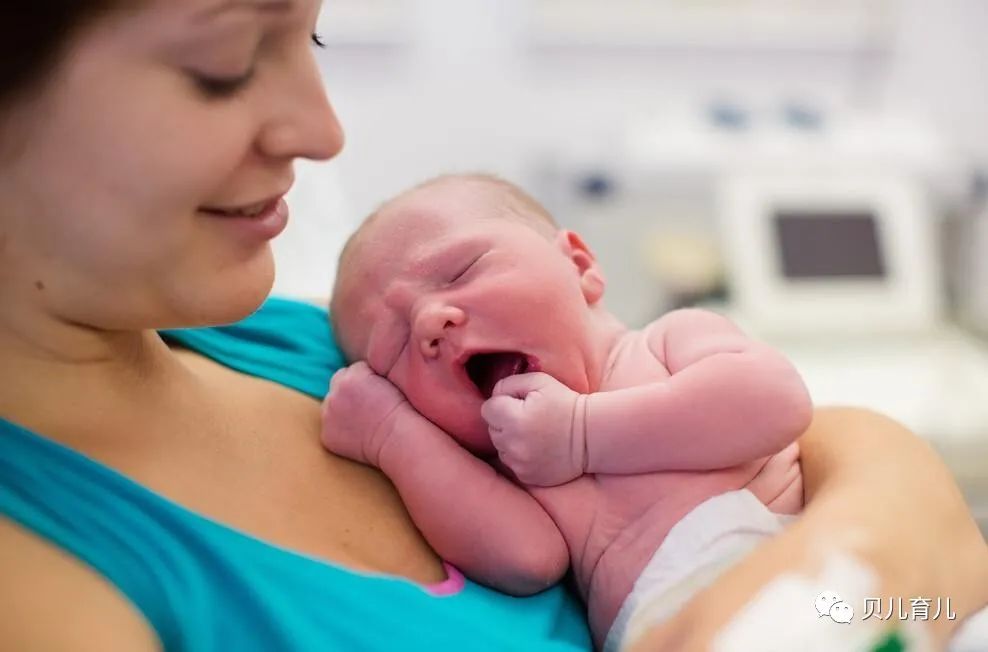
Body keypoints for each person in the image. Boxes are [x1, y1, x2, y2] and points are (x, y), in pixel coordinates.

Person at [0, 2, 984, 651]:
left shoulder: (285, 338)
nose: (324, 129)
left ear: (582, 261)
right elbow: (525, 554)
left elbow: (799, 421)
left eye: (314, 37)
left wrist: (855, 554)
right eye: (220, 64)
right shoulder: (52, 584)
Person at [323, 173, 813, 650]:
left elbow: (775, 400)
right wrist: (393, 434)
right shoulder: (514, 468)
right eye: (395, 346)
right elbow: (526, 561)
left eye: (462, 272)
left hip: (810, 580)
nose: (431, 321)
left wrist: (581, 434)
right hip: (672, 630)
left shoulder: (664, 343)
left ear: (579, 265)